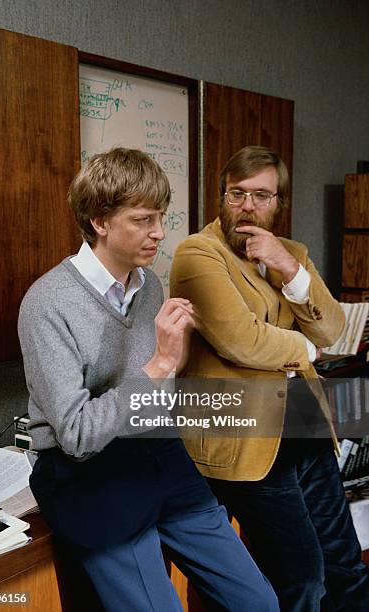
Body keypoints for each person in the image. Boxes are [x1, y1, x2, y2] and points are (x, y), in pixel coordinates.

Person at [18, 148, 278, 612]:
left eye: (161, 216)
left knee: (258, 602)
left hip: (158, 455)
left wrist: (175, 375)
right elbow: (76, 436)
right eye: (143, 220)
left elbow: (157, 397)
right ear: (100, 221)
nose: (159, 233)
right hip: (87, 475)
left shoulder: (149, 283)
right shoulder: (47, 303)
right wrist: (157, 366)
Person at [170, 145, 369, 612]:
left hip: (304, 426)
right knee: (302, 580)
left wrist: (288, 266)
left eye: (262, 196)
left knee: (345, 565)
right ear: (222, 196)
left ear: (278, 203)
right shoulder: (198, 253)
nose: (248, 206)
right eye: (237, 193)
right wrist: (305, 350)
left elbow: (334, 328)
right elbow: (240, 340)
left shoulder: (290, 253)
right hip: (243, 441)